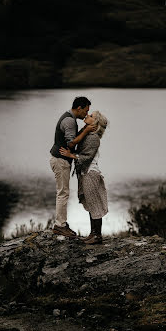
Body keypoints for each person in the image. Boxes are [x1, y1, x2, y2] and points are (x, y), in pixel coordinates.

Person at [60, 111, 108, 244]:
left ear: (96, 123)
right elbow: (79, 146)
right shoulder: (88, 133)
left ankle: (97, 236)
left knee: (95, 205)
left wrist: (71, 156)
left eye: (91, 116)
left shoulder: (93, 138)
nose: (87, 116)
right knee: (92, 204)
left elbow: (87, 158)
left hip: (90, 173)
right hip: (86, 173)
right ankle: (93, 234)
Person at [50, 96, 95, 238]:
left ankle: (61, 223)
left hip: (60, 159)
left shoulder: (69, 118)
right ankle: (60, 226)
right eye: (86, 111)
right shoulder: (69, 121)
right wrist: (87, 131)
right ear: (79, 108)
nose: (86, 114)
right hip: (60, 160)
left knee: (63, 192)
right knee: (63, 193)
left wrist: (84, 129)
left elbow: (72, 139)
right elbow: (70, 144)